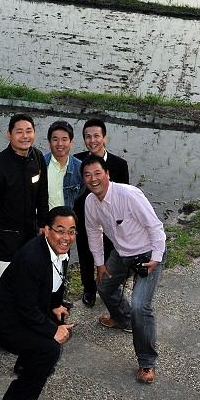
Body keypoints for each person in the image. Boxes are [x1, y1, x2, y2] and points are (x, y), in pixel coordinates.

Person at [0, 206, 76, 400]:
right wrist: (53, 330)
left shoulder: (59, 250)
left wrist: (56, 306)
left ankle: (26, 365)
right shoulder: (32, 259)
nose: (66, 237)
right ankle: (18, 397)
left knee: (57, 320)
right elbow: (27, 310)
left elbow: (55, 283)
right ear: (47, 230)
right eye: (60, 230)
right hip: (2, 320)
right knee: (50, 349)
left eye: (71, 231)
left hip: (21, 311)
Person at [81, 155, 166, 385]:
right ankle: (123, 319)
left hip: (148, 253)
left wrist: (156, 258)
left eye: (98, 173)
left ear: (108, 174)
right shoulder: (90, 202)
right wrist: (99, 263)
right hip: (121, 254)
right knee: (105, 285)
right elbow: (93, 232)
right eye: (87, 175)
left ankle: (146, 362)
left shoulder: (128, 195)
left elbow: (155, 227)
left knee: (141, 305)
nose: (93, 179)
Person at [0, 113, 49, 281]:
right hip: (4, 242)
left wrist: (43, 223)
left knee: (26, 284)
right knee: (4, 289)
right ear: (8, 134)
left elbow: (42, 193)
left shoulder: (37, 158)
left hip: (29, 238)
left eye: (29, 131)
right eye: (19, 132)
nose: (25, 136)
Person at [74, 118, 129, 307]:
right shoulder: (77, 161)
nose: (92, 140)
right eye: (88, 137)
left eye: (97, 136)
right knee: (86, 254)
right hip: (83, 219)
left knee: (111, 256)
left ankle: (110, 290)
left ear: (104, 137)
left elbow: (124, 197)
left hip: (110, 221)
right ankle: (89, 289)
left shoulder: (119, 165)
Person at [43, 120, 85, 210]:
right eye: (55, 139)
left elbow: (80, 196)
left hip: (67, 221)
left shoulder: (80, 168)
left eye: (64, 139)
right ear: (49, 143)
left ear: (71, 143)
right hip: (41, 221)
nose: (60, 144)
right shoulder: (40, 165)